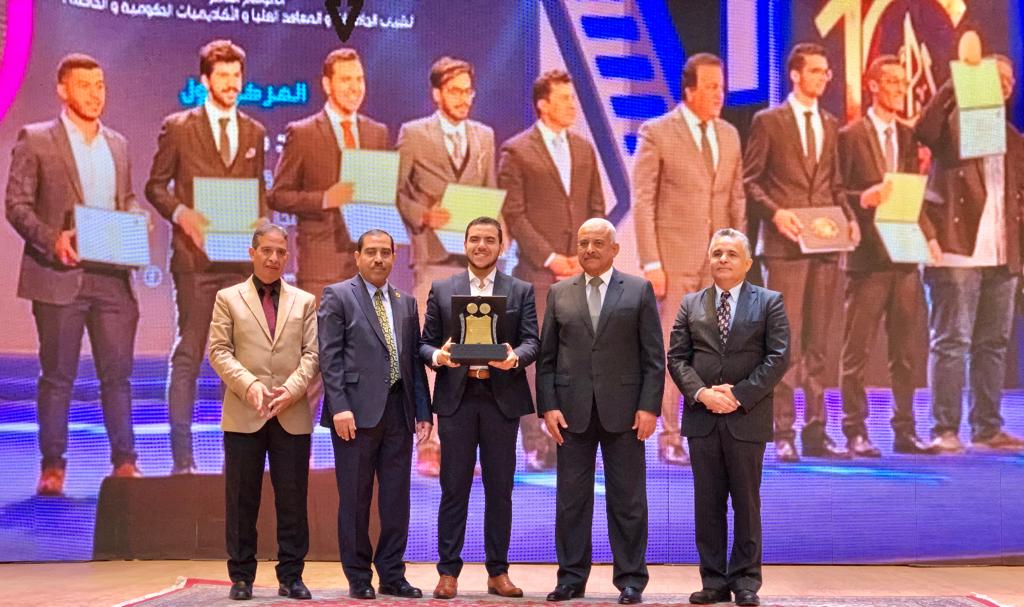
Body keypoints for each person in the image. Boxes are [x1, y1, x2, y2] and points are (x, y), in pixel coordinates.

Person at [5, 53, 142, 496]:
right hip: (59, 275)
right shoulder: (36, 139)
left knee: (117, 377)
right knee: (58, 377)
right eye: (85, 85)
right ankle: (52, 467)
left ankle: (126, 462)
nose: (95, 94)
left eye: (100, 85)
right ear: (62, 90)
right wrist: (52, 240)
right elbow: (16, 205)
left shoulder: (118, 144)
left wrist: (136, 216)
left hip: (112, 277)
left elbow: (126, 197)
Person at [146, 39, 267, 474]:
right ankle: (183, 461)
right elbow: (155, 186)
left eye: (236, 75)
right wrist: (182, 214)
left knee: (239, 364)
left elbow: (257, 192)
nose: (231, 83)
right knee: (190, 355)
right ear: (205, 81)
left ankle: (237, 461)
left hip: (239, 264)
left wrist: (262, 225)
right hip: (195, 264)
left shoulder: (255, 131)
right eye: (223, 76)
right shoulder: (179, 127)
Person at [537, 218, 663, 605]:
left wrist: (648, 407)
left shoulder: (639, 290)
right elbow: (546, 359)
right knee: (571, 502)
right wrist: (548, 407)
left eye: (597, 243)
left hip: (625, 414)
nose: (589, 249)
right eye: (583, 243)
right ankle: (570, 579)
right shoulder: (559, 292)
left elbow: (653, 358)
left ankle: (631, 580)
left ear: (614, 249)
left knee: (628, 501)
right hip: (571, 413)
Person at [743, 42, 857, 462]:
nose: (823, 78)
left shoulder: (830, 123)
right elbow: (750, 181)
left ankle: (816, 430)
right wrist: (776, 214)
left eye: (826, 72)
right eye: (815, 71)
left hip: (825, 246)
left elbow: (835, 184)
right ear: (795, 74)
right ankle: (783, 430)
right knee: (784, 342)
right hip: (785, 248)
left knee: (819, 343)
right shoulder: (768, 122)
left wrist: (849, 218)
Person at [632, 52, 746, 467]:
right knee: (673, 351)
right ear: (690, 90)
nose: (719, 94)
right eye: (711, 87)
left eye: (722, 87)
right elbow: (643, 201)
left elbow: (736, 199)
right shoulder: (657, 132)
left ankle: (707, 431)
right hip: (674, 260)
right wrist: (651, 262)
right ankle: (669, 435)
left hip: (719, 266)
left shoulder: (729, 135)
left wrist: (739, 256)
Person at [667, 228, 789, 607]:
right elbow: (677, 358)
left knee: (746, 504)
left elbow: (778, 358)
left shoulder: (769, 302)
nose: (723, 259)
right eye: (717, 252)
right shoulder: (691, 303)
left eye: (731, 254)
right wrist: (703, 394)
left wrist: (738, 396)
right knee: (708, 503)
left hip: (747, 417)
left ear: (748, 263)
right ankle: (713, 581)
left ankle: (746, 581)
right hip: (702, 418)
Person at [419, 217, 539, 599]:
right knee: (453, 488)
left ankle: (498, 572)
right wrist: (439, 356)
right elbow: (424, 344)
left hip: (501, 401)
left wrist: (515, 358)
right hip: (457, 400)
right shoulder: (443, 289)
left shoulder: (520, 290)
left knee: (499, 489)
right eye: (474, 239)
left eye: (489, 240)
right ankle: (448, 572)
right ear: (465, 243)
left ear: (501, 246)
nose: (481, 245)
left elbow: (532, 342)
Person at [915, 53, 1024, 453]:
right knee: (951, 342)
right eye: (996, 77)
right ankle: (944, 428)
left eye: (1009, 80)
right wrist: (956, 82)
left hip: (1001, 255)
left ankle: (987, 427)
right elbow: (923, 129)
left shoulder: (1012, 137)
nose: (1004, 85)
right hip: (957, 252)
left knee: (993, 343)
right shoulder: (952, 125)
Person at [499, 69, 604, 472]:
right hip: (538, 274)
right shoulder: (516, 150)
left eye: (572, 98)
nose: (571, 105)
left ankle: (569, 438)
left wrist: (585, 255)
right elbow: (514, 213)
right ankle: (535, 442)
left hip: (580, 272)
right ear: (543, 104)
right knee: (535, 359)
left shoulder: (584, 149)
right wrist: (550, 258)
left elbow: (596, 207)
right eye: (563, 98)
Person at [318, 229, 432, 599]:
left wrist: (423, 410)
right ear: (357, 256)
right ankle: (358, 576)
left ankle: (392, 574)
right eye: (371, 252)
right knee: (355, 500)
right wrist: (339, 406)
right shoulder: (338, 295)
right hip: (354, 415)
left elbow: (413, 361)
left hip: (399, 412)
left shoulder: (405, 301)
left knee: (396, 500)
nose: (378, 258)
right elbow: (329, 357)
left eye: (385, 252)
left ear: (394, 256)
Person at [395, 56, 496, 477]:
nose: (463, 98)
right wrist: (422, 214)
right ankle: (429, 443)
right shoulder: (414, 134)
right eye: (455, 91)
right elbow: (397, 191)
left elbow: (491, 193)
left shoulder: (485, 136)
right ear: (437, 94)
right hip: (434, 256)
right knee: (436, 355)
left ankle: (461, 445)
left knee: (473, 356)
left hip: (475, 263)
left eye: (468, 91)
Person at [207, 224, 319, 601]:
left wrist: (291, 390)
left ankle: (292, 576)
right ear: (252, 253)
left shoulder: (304, 301)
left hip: (291, 412)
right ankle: (241, 577)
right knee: (241, 501)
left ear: (288, 256)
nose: (273, 258)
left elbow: (313, 354)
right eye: (266, 251)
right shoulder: (228, 298)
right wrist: (249, 384)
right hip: (244, 411)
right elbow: (218, 350)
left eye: (280, 252)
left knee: (293, 501)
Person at [836, 55, 936, 457]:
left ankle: (905, 430)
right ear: (874, 85)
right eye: (892, 81)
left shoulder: (910, 137)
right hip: (868, 259)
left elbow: (913, 194)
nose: (900, 89)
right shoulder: (850, 136)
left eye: (903, 82)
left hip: (905, 257)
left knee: (906, 351)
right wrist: (863, 198)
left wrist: (930, 237)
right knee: (857, 351)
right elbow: (835, 191)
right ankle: (855, 430)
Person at [269, 47, 389, 301]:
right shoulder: (303, 133)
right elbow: (278, 196)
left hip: (368, 266)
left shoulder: (377, 133)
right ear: (327, 84)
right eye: (346, 79)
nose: (354, 87)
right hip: (321, 266)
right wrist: (325, 199)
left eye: (359, 79)